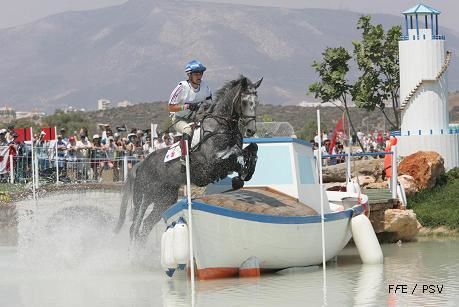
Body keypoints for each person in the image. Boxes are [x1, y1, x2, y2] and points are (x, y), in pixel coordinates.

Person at [168, 60, 212, 155]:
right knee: (188, 129)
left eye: (200, 73)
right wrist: (187, 106)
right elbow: (171, 108)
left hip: (196, 120)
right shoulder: (181, 88)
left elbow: (209, 105)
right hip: (179, 119)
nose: (199, 76)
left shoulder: (205, 87)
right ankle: (184, 157)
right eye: (196, 74)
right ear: (189, 75)